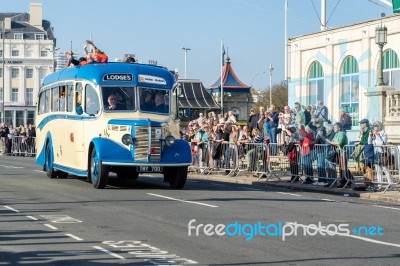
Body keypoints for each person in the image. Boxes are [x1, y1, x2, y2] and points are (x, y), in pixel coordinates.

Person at [368, 121, 389, 191]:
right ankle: (380, 185)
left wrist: (377, 135)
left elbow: (381, 143)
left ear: (379, 126)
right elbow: (369, 143)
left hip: (382, 153)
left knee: (385, 169)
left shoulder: (384, 133)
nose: (375, 127)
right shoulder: (374, 134)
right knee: (378, 170)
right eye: (374, 126)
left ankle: (390, 183)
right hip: (375, 152)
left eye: (376, 126)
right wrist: (370, 136)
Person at [326, 123, 348, 188]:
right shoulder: (336, 134)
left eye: (335, 128)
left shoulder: (342, 134)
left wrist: (330, 142)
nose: (334, 129)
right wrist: (330, 142)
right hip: (337, 153)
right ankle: (344, 181)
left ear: (339, 128)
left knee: (343, 168)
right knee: (341, 168)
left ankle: (345, 182)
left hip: (343, 152)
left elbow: (339, 143)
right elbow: (332, 141)